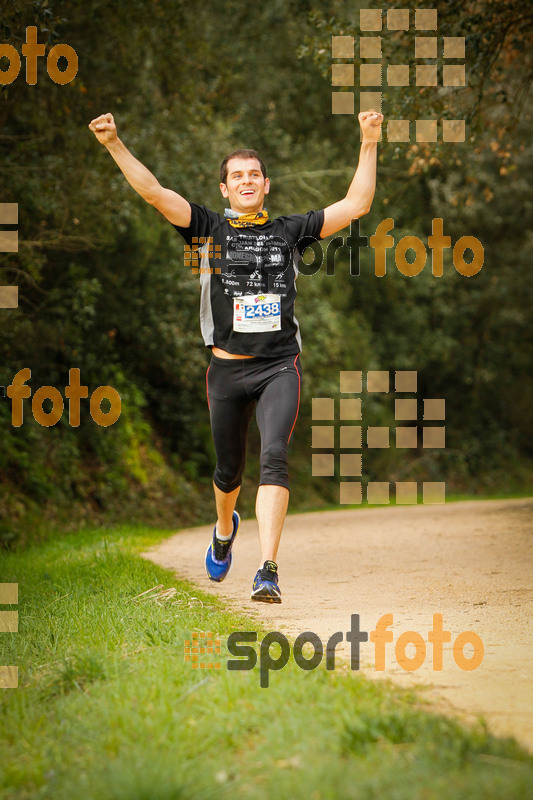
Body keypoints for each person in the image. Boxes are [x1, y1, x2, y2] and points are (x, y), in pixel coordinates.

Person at [88, 109, 383, 603]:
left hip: (278, 367)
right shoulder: (207, 230)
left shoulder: (289, 231)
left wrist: (369, 140)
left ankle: (267, 568)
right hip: (225, 371)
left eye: (253, 175)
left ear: (266, 184)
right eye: (236, 176)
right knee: (228, 474)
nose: (246, 181)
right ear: (225, 189)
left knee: (274, 458)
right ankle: (225, 528)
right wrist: (115, 143)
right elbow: (154, 193)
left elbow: (356, 204)